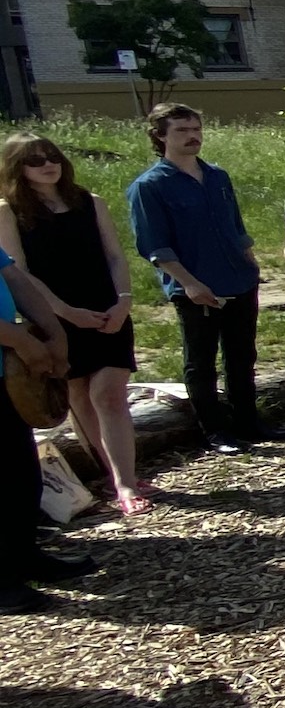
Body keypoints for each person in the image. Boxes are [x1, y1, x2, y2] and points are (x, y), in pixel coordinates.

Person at [0, 135, 149, 514]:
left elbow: (115, 256)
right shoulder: (8, 211)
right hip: (55, 316)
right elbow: (19, 272)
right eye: (35, 160)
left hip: (108, 310)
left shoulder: (90, 202)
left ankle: (127, 483)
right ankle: (111, 473)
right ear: (18, 168)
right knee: (79, 395)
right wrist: (64, 313)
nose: (47, 164)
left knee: (109, 393)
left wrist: (123, 302)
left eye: (53, 157)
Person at [129, 103, 273, 453]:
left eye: (196, 129)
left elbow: (236, 227)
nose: (192, 136)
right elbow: (154, 245)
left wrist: (250, 264)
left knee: (242, 355)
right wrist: (188, 283)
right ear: (160, 136)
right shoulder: (150, 186)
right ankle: (215, 430)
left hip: (237, 279)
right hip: (195, 286)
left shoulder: (217, 177)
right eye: (181, 130)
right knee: (202, 360)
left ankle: (247, 422)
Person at [0, 243, 90, 612]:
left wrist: (54, 332)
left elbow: (14, 278)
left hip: (7, 372)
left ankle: (23, 557)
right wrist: (20, 339)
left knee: (19, 474)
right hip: (12, 350)